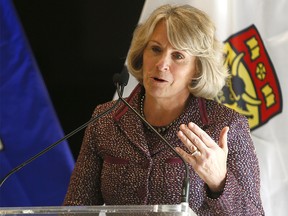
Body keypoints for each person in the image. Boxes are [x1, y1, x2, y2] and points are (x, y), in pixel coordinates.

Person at [63, 4, 265, 215]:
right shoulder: (106, 120)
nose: (161, 64)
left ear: (197, 68)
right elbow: (76, 208)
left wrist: (219, 182)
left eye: (178, 56)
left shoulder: (226, 126)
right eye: (156, 49)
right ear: (142, 53)